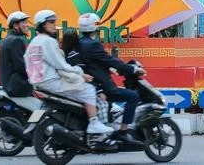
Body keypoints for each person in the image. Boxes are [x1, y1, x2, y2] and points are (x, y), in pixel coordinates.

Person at [24, 10, 113, 135]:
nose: (54, 25)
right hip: (50, 82)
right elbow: (61, 65)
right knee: (88, 90)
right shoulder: (48, 41)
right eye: (51, 22)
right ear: (43, 24)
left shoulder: (34, 42)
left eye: (54, 22)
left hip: (38, 83)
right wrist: (81, 74)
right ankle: (93, 123)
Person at [76, 13, 143, 143]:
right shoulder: (93, 44)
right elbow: (110, 60)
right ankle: (123, 131)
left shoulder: (79, 44)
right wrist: (133, 69)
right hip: (102, 86)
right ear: (95, 27)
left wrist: (110, 68)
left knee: (112, 104)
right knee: (133, 96)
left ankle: (109, 128)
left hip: (91, 84)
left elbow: (95, 63)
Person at [0, 11, 33, 97]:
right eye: (25, 22)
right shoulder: (16, 40)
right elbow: (21, 65)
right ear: (16, 25)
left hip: (8, 85)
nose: (28, 25)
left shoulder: (6, 39)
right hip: (17, 86)